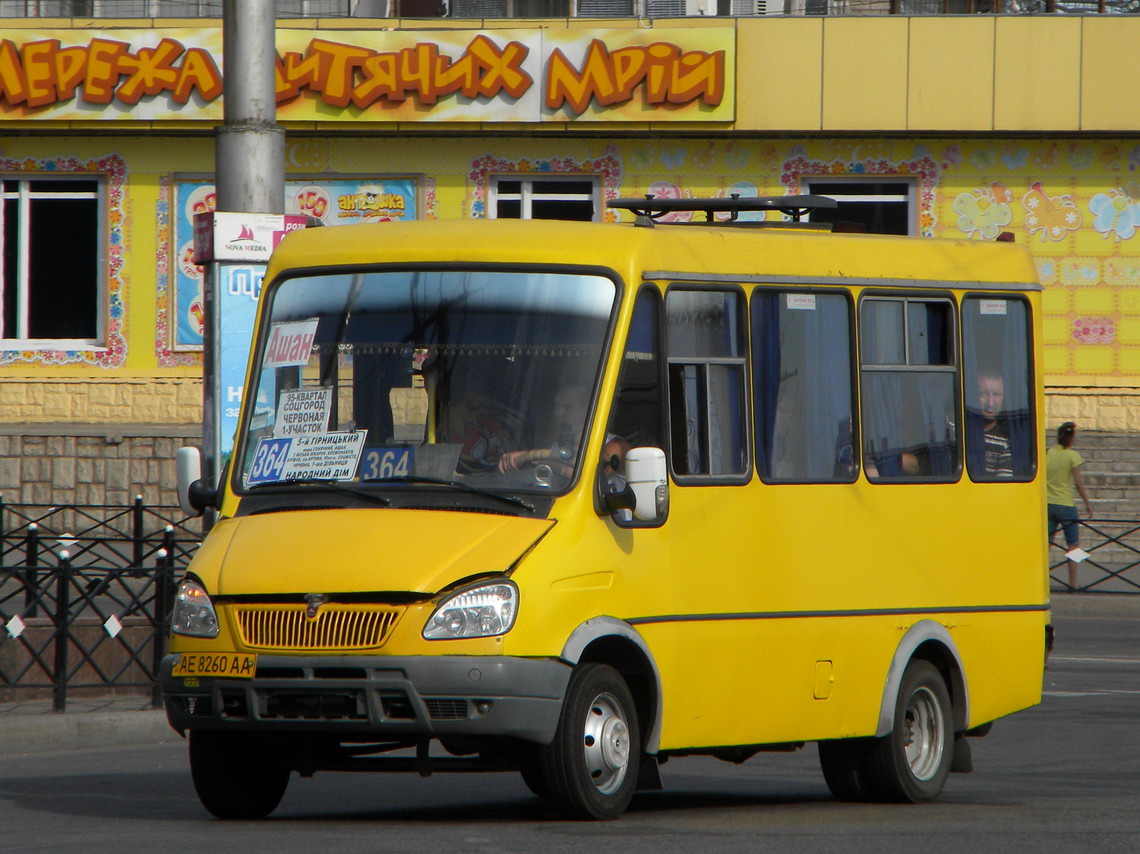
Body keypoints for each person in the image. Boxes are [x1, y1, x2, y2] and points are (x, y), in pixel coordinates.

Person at [498, 383, 629, 479]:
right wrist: (514, 462)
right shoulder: (558, 446)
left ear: (589, 410)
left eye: (566, 407)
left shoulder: (616, 446)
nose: (557, 414)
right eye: (557, 407)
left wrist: (533, 457)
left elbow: (589, 477)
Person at [1047, 421, 1093, 590]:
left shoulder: (1048, 453)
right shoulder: (1072, 456)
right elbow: (1079, 483)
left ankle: (1042, 580)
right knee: (1073, 545)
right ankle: (1073, 582)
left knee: (1046, 544)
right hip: (1066, 504)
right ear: (1072, 437)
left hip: (1048, 503)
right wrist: (1087, 503)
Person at [977, 369, 1013, 477]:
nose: (991, 402)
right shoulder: (955, 430)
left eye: (997, 395)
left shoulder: (1005, 443)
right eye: (984, 394)